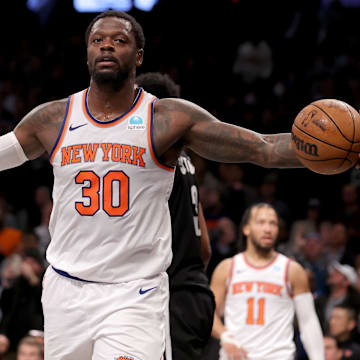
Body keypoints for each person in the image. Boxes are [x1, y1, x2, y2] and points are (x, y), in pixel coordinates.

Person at [0, 10, 303, 360]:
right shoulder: (53, 119)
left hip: (134, 294)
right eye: (98, 40)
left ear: (139, 55)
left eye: (119, 40)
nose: (107, 47)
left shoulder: (167, 119)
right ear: (87, 53)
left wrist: (331, 151)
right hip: (66, 291)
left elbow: (261, 148)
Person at [135, 71, 215, 359]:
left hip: (170, 292)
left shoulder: (152, 159)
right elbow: (204, 248)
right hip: (195, 292)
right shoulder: (185, 160)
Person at [210, 203, 324, 359]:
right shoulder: (227, 268)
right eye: (261, 222)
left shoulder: (292, 270)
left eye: (273, 223)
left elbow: (308, 322)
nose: (268, 229)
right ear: (246, 228)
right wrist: (224, 335)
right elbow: (209, 314)